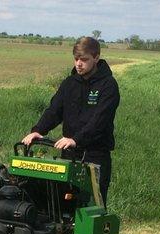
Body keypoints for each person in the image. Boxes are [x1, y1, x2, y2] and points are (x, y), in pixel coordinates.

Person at [22, 36, 120, 207]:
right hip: (69, 154)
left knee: (92, 207)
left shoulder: (108, 85)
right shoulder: (69, 83)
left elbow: (99, 121)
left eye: (84, 59)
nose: (78, 64)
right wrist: (38, 130)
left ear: (96, 58)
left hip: (95, 155)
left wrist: (76, 139)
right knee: (63, 204)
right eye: (76, 59)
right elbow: (54, 111)